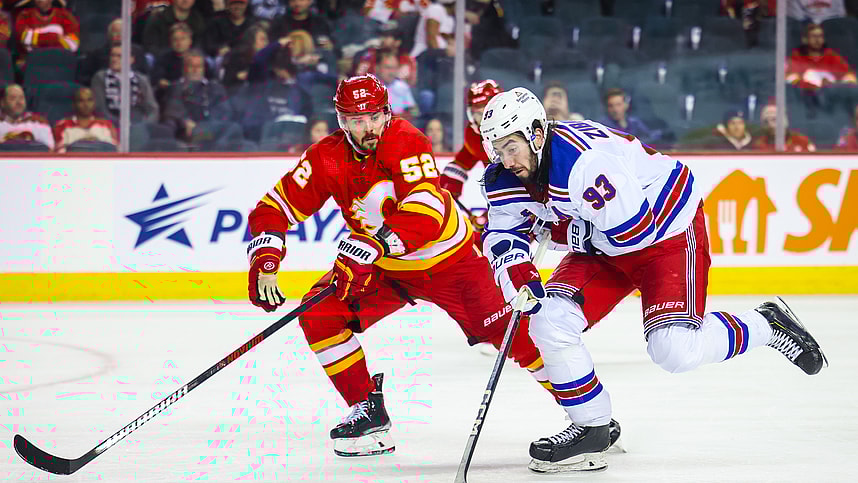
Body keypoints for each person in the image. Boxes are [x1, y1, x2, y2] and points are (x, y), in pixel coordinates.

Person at [244, 74, 618, 458]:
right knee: (321, 313)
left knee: (518, 338)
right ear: (341, 121)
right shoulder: (326, 157)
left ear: (387, 113)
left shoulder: (407, 141)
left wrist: (371, 247)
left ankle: (589, 419)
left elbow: (426, 214)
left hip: (452, 262)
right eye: (355, 121)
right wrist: (266, 258)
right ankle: (368, 413)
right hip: (385, 268)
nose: (366, 128)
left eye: (373, 117)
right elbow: (273, 207)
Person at [477, 87, 827, 473]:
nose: (505, 160)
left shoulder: (583, 164)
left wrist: (561, 231)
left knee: (673, 351)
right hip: (603, 242)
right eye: (497, 148)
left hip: (665, 232)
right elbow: (502, 234)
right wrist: (520, 279)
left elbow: (633, 233)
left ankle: (766, 323)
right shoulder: (503, 175)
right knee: (548, 319)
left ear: (537, 134)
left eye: (512, 146)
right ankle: (592, 426)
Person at [786, 23, 857, 91]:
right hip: (806, 97)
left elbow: (848, 76)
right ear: (805, 39)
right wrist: (814, 87)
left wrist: (837, 86)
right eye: (813, 36)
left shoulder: (831, 55)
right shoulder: (797, 56)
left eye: (820, 36)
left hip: (832, 96)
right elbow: (791, 79)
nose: (817, 40)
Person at [53, 87, 119, 152]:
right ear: (74, 104)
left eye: (89, 100)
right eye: (81, 100)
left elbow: (116, 151)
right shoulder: (62, 126)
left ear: (94, 103)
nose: (86, 104)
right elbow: (58, 154)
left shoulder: (107, 125)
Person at [0, 84, 54, 149]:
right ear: (2, 103)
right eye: (13, 98)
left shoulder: (38, 122)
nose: (19, 102)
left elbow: (50, 153)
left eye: (21, 98)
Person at [752, 102, 816, 152]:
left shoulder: (801, 141)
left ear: (785, 121)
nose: (771, 124)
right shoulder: (758, 144)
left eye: (774, 119)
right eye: (766, 122)